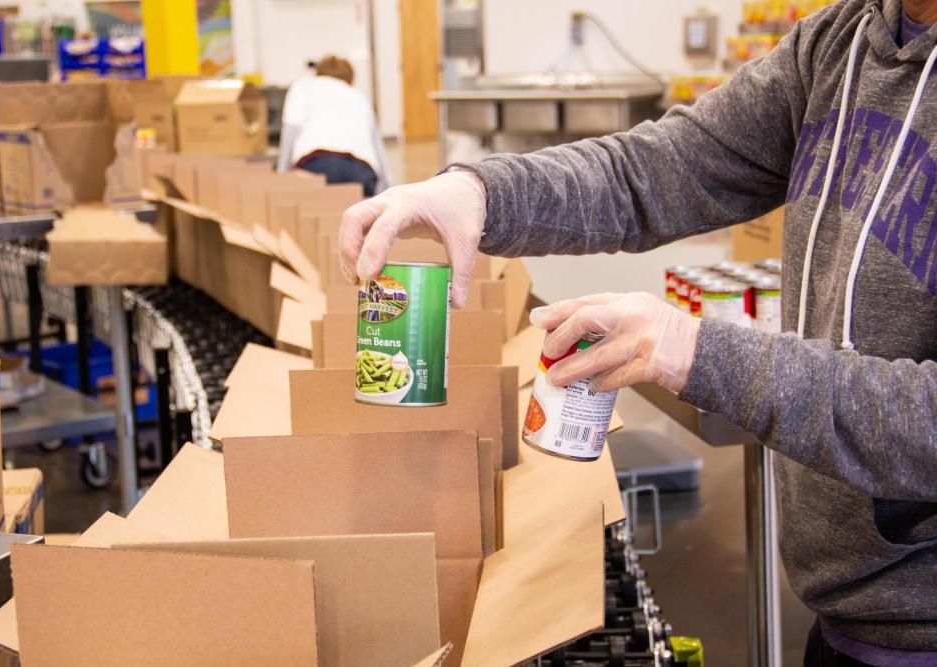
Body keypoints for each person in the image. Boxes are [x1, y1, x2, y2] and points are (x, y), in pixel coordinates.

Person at [339, 1, 937, 664]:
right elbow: (655, 168)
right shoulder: (838, 40)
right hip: (844, 622)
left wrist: (696, 350)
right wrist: (481, 194)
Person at [277, 55, 391, 196]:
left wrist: (281, 175)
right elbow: (378, 148)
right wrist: (388, 192)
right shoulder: (359, 97)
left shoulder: (303, 87)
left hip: (315, 164)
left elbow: (291, 129)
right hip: (361, 170)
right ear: (351, 80)